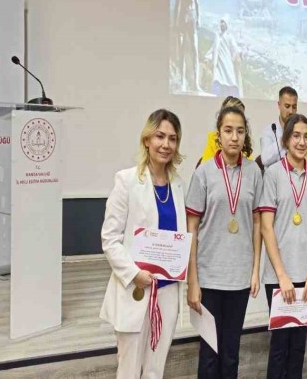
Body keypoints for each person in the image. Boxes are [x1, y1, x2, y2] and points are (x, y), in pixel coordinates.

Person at [100, 109, 186, 379]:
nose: (166, 144)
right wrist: (134, 273)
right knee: (129, 371)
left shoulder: (178, 184)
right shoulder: (126, 180)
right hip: (135, 288)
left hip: (167, 291)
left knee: (154, 370)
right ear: (147, 139)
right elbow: (110, 239)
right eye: (160, 136)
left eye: (172, 138)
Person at [186, 106, 263, 378]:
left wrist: (255, 269)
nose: (234, 137)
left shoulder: (254, 172)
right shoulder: (204, 172)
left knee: (231, 353)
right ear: (218, 134)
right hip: (209, 278)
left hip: (239, 278)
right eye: (228, 130)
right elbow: (192, 227)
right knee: (209, 355)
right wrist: (192, 280)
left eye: (240, 131)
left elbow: (257, 222)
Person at [260, 114, 307, 378]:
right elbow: (266, 228)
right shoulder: (273, 174)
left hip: (306, 277)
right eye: (296, 136)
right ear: (286, 139)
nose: (301, 142)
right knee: (279, 346)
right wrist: (282, 276)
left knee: (299, 346)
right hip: (278, 277)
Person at [199, 96, 253, 166]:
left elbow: (249, 165)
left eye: (240, 114)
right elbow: (206, 166)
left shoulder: (242, 139)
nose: (235, 138)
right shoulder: (213, 137)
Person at [173, 0, 201, 93]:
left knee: (195, 50)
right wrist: (175, 22)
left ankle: (196, 83)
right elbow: (176, 6)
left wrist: (198, 18)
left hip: (192, 18)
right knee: (182, 52)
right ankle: (182, 82)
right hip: (182, 19)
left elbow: (197, 3)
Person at [260, 86, 298, 168]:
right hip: (274, 176)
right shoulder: (269, 130)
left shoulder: (301, 130)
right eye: (287, 106)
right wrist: (282, 141)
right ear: (279, 105)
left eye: (294, 107)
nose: (291, 111)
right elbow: (264, 160)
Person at [207, 18, 243, 98]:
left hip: (227, 64)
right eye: (221, 22)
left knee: (230, 81)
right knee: (217, 79)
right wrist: (207, 57)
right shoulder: (218, 37)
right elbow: (213, 49)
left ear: (226, 25)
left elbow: (234, 48)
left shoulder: (229, 36)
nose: (222, 24)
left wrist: (239, 53)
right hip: (218, 65)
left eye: (223, 22)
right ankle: (214, 98)